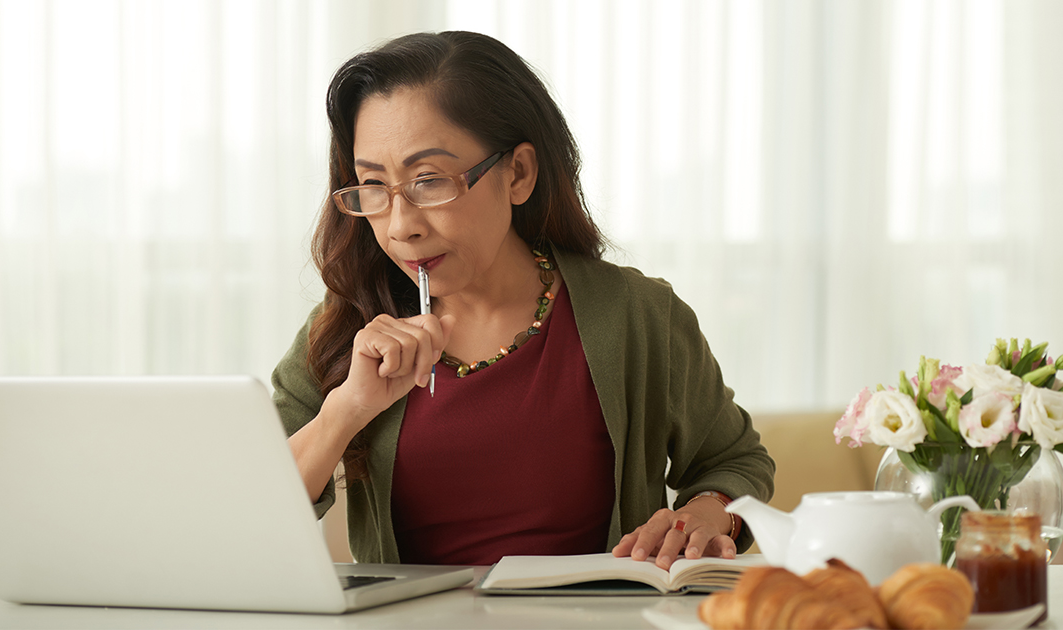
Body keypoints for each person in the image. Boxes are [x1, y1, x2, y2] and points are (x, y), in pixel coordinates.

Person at [272, 31, 774, 570]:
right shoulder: (346, 329)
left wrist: (704, 512)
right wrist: (347, 410)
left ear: (518, 173)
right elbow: (245, 511)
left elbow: (735, 461)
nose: (400, 227)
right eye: (373, 186)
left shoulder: (636, 315)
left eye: (429, 181)